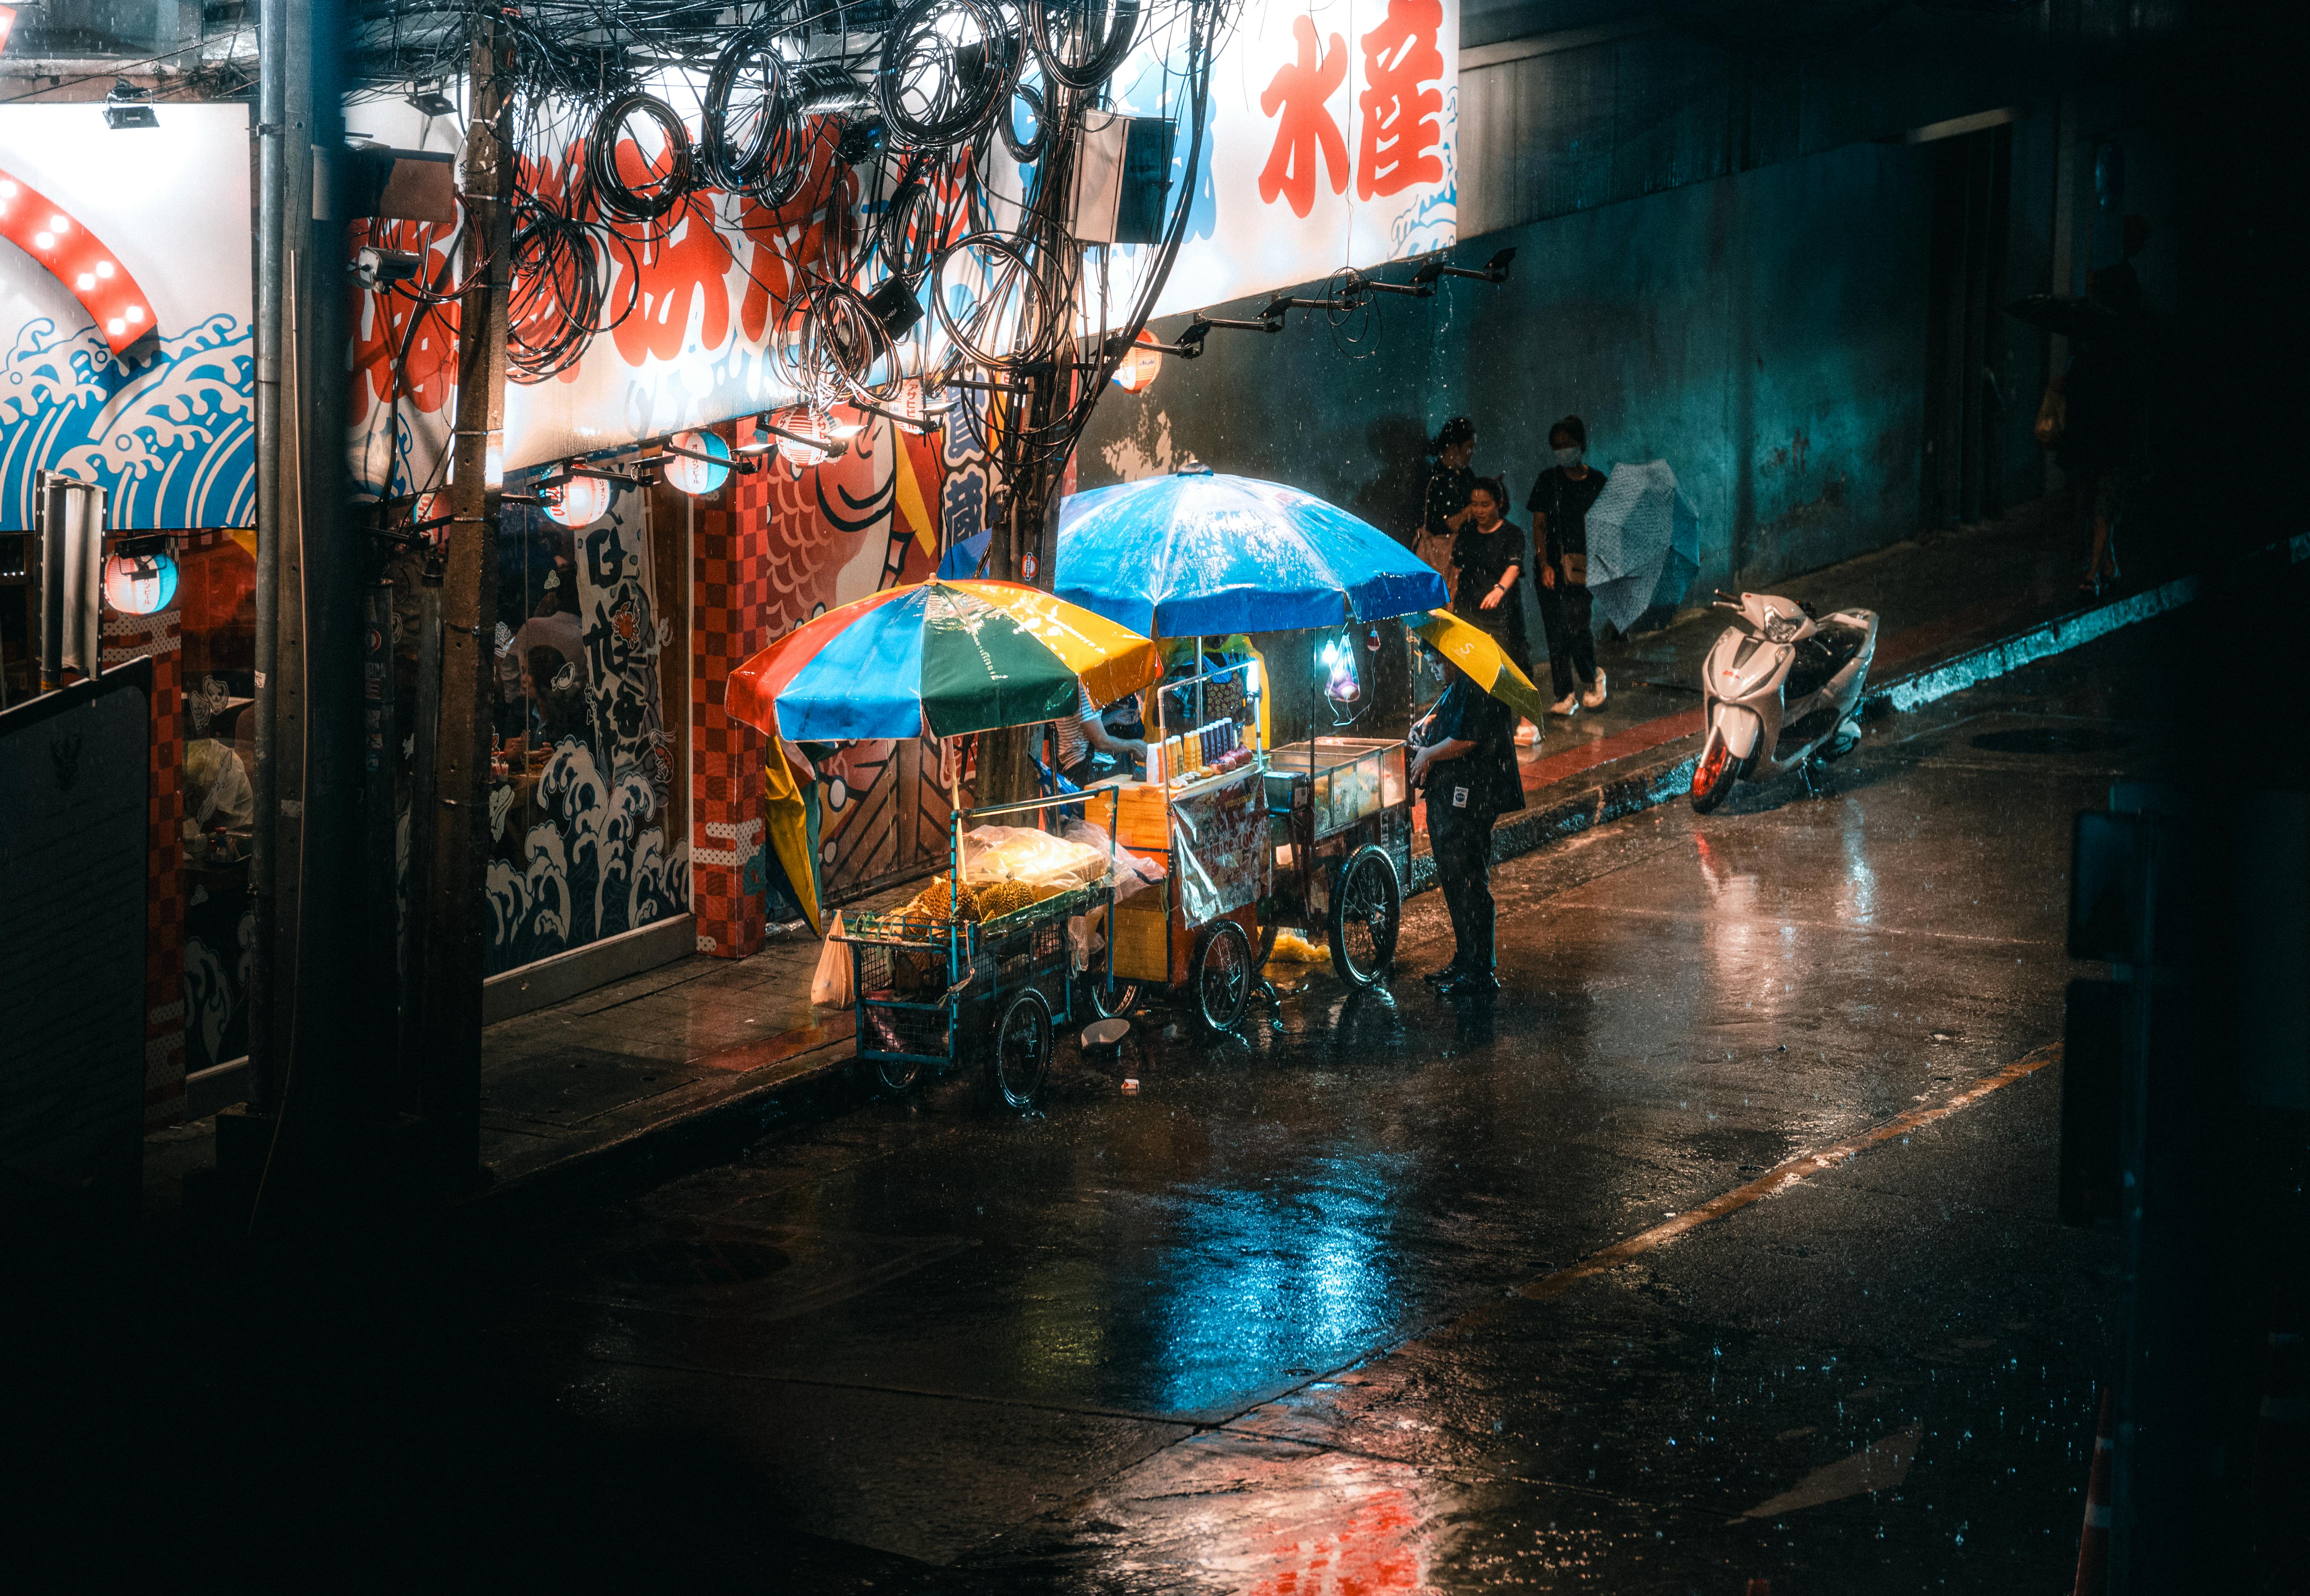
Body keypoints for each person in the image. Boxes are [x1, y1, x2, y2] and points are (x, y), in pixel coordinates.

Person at [1409, 669, 1524, 992]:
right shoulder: (1458, 685)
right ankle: (1465, 959)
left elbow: (1469, 737)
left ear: (1449, 657)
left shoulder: (1478, 682)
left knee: (1470, 878)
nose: (1431, 669)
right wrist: (1431, 725)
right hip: (1452, 795)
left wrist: (1429, 754)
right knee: (1455, 877)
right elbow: (1458, 722)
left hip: (1474, 793)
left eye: (1434, 661)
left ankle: (1480, 969)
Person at [2057, 214, 2148, 595]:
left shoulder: (2096, 324)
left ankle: (2095, 569)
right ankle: (2105, 562)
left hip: (2099, 416)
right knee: (2103, 492)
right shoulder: (2120, 310)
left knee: (2099, 493)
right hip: (2108, 416)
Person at [1527, 415, 1610, 716]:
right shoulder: (1548, 480)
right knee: (1555, 630)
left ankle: (1592, 676)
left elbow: (1609, 527)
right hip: (1551, 566)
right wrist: (1545, 563)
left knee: (1577, 626)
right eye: (1557, 446)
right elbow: (1539, 526)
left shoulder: (1598, 482)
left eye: (1569, 445)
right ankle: (1564, 694)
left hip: (1585, 566)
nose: (1563, 451)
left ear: (1582, 445)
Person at [1448, 477, 1537, 717]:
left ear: (1499, 503)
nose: (1479, 510)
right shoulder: (1467, 530)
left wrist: (1499, 590)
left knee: (1515, 662)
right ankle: (1481, 717)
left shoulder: (1513, 534)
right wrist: (1450, 601)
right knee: (1473, 664)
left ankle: (1528, 717)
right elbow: (1458, 568)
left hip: (1503, 612)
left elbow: (1514, 567)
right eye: (1474, 504)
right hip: (1469, 608)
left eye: (1485, 505)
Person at [1417, 417, 1479, 596]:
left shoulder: (1466, 474)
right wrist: (1472, 509)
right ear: (1452, 447)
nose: (1472, 453)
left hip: (1462, 556)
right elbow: (1448, 524)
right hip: (1444, 556)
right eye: (1469, 447)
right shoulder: (1436, 479)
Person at [1051, 682, 1149, 787]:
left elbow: (1085, 729)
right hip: (1087, 767)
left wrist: (1114, 717)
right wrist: (1135, 745)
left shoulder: (1080, 687)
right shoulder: (1080, 690)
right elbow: (1101, 741)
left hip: (1096, 764)